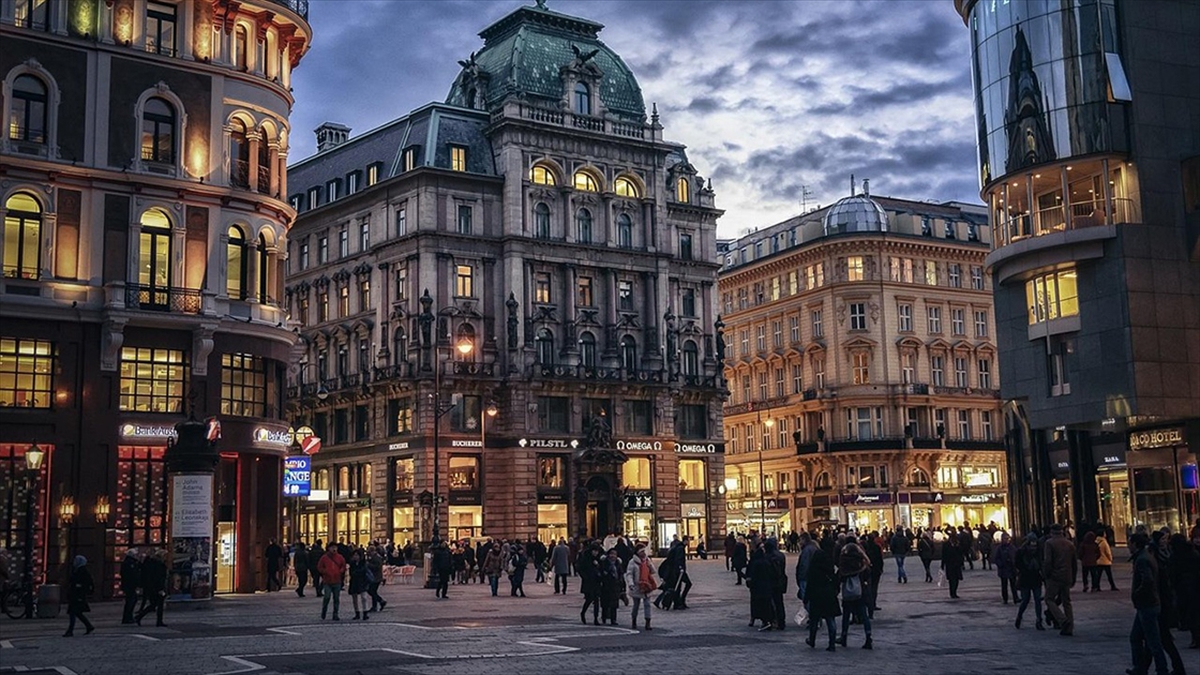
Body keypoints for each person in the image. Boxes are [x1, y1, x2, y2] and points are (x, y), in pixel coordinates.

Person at [1128, 532, 1170, 675]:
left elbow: (1148, 580)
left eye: (1129, 543)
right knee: (1136, 637)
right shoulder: (1145, 556)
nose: (1128, 546)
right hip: (1147, 604)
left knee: (1153, 641)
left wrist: (1136, 593)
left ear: (1134, 544)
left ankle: (1161, 669)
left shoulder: (1142, 559)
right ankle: (1140, 667)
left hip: (1147, 604)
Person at [804, 540, 841, 652]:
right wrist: (835, 590)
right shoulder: (829, 568)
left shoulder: (813, 569)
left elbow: (810, 584)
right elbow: (835, 580)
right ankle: (832, 643)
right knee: (830, 620)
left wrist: (806, 598)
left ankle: (812, 639)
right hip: (829, 594)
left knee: (814, 620)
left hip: (816, 596)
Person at [836, 538, 872, 649]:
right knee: (864, 615)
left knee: (846, 615)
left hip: (847, 593)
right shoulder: (860, 561)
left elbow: (839, 576)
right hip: (859, 591)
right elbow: (868, 573)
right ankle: (868, 636)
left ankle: (844, 636)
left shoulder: (844, 560)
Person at [1166, 533, 1200, 649]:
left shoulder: (1176, 556)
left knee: (1190, 614)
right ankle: (1195, 637)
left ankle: (1195, 637)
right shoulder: (1193, 553)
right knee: (1194, 614)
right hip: (1194, 587)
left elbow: (1172, 573)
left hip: (1184, 589)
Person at [1043, 523, 1076, 636]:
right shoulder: (1069, 544)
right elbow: (1074, 563)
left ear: (1052, 532)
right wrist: (1073, 577)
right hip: (1067, 575)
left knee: (1049, 599)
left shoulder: (1049, 543)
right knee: (1066, 601)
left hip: (1054, 576)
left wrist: (1046, 574)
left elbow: (1048, 561)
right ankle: (1070, 627)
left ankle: (1062, 620)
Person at [1014, 532, 1044, 630]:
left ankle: (1039, 620)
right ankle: (1019, 616)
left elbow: (1042, 562)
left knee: (1037, 600)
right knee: (1025, 600)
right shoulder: (1021, 552)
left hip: (1035, 578)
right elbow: (1017, 563)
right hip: (1026, 578)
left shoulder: (1039, 551)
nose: (1033, 546)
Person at [625, 544, 656, 631]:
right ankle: (634, 620)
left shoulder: (647, 560)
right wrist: (631, 584)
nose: (644, 553)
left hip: (647, 586)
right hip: (637, 586)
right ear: (637, 552)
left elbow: (653, 571)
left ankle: (648, 622)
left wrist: (649, 565)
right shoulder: (632, 562)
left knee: (647, 605)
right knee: (636, 605)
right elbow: (629, 574)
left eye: (644, 551)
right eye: (642, 551)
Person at [63, 555, 95, 637]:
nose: (74, 562)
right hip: (76, 595)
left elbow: (85, 583)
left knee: (74, 612)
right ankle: (88, 626)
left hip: (78, 595)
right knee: (76, 612)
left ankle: (71, 630)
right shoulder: (77, 570)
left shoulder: (82, 571)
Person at [135, 549, 167, 627]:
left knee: (154, 604)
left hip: (152, 587)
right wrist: (161, 588)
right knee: (158, 604)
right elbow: (159, 577)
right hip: (157, 588)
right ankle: (158, 621)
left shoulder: (152, 563)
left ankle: (140, 616)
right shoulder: (159, 565)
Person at [316, 543, 346, 620]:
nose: (334, 549)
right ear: (328, 548)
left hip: (337, 580)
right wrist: (325, 571)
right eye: (332, 547)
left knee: (336, 598)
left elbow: (343, 565)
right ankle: (324, 610)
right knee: (327, 596)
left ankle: (335, 614)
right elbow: (319, 567)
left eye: (335, 547)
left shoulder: (340, 557)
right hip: (327, 581)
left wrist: (341, 570)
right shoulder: (324, 558)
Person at [598, 548, 623, 626]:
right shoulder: (604, 563)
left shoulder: (618, 564)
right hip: (606, 586)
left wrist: (622, 586)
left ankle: (613, 619)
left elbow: (621, 574)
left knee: (614, 604)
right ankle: (604, 617)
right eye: (611, 554)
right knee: (605, 603)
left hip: (616, 586)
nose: (613, 556)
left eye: (615, 554)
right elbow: (602, 573)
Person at [579, 544, 602, 624]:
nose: (596, 553)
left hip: (596, 582)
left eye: (597, 551)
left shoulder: (598, 559)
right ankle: (583, 613)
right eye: (594, 551)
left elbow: (601, 568)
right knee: (589, 599)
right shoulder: (586, 558)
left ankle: (596, 618)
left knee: (596, 600)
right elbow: (580, 568)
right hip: (588, 582)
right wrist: (585, 577)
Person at [993, 532, 1018, 604]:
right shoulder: (1000, 548)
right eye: (1005, 539)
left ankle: (1015, 597)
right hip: (1003, 569)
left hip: (1011, 568)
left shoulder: (1012, 547)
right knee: (1004, 585)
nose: (1006, 540)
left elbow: (1016, 556)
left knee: (1013, 584)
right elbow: (996, 558)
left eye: (1007, 539)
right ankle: (1005, 598)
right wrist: (1001, 564)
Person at [347, 550, 370, 620]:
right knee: (354, 598)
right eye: (354, 555)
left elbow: (363, 571)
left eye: (357, 555)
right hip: (354, 582)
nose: (355, 557)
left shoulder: (363, 563)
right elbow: (351, 573)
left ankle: (365, 612)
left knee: (364, 597)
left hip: (362, 582)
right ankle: (357, 612)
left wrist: (357, 573)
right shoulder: (352, 563)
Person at [120, 548, 141, 624]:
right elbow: (132, 575)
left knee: (132, 600)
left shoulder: (130, 562)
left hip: (129, 585)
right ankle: (127, 617)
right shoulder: (129, 563)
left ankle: (128, 617)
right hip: (130, 585)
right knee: (130, 601)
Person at [940, 533, 965, 599]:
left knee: (957, 579)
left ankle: (955, 592)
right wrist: (942, 564)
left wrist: (962, 563)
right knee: (951, 579)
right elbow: (944, 555)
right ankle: (952, 593)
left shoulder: (958, 544)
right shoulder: (946, 544)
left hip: (957, 564)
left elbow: (961, 553)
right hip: (950, 564)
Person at [366, 545, 387, 612]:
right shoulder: (374, 557)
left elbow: (377, 567)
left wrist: (368, 565)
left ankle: (381, 601)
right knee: (373, 591)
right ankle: (375, 606)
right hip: (375, 577)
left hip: (376, 577)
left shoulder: (376, 558)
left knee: (371, 591)